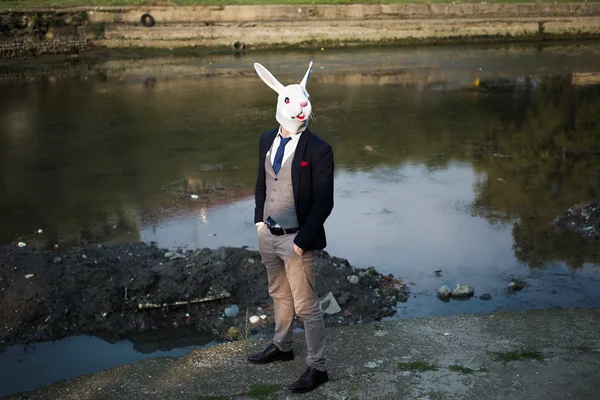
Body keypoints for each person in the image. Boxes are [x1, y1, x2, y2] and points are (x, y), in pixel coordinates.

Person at [247, 61, 334, 394]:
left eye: (303, 101)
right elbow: (261, 183)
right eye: (291, 101)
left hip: (297, 239)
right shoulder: (266, 138)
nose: (300, 108)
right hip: (268, 235)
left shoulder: (319, 149)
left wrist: (302, 241)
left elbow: (324, 202)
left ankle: (319, 367)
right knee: (277, 294)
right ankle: (282, 346)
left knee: (307, 306)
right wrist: (258, 222)